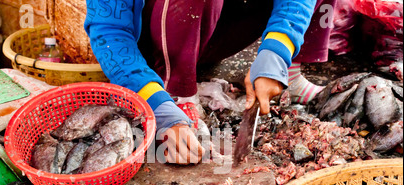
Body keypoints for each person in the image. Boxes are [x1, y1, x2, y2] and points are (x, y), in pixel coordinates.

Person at [84, 0, 335, 165]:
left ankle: (288, 73)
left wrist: (278, 50)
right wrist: (156, 105)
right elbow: (109, 32)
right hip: (155, 37)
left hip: (215, 24)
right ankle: (174, 91)